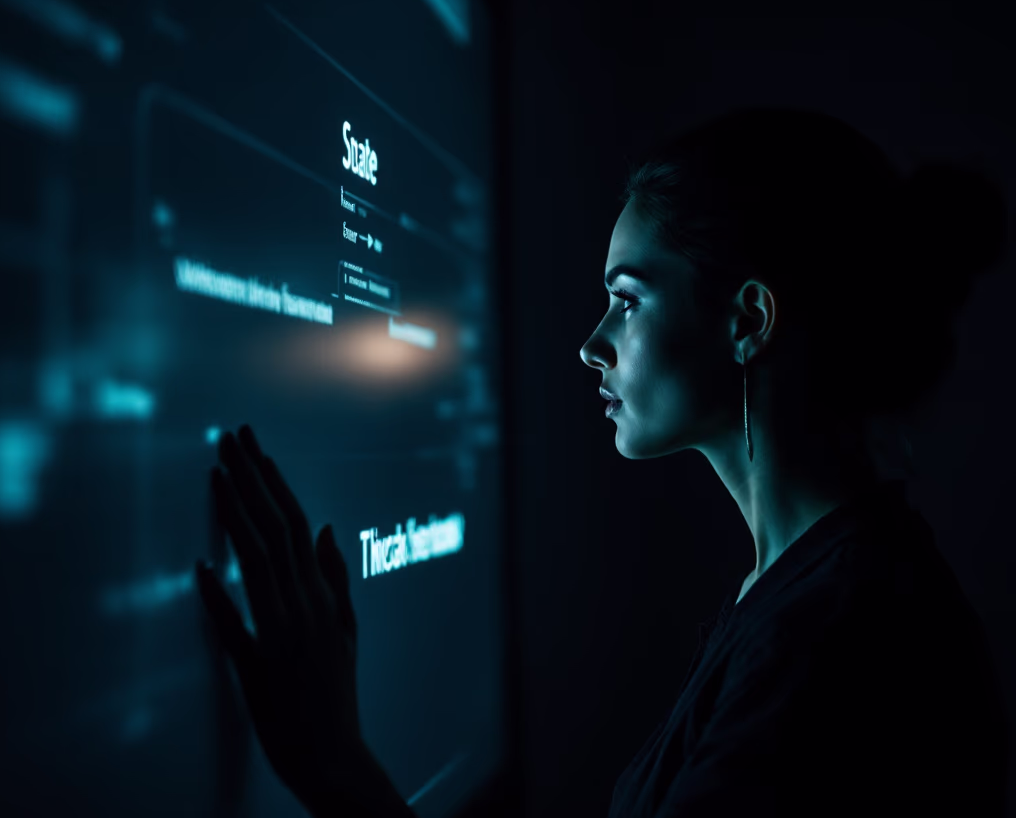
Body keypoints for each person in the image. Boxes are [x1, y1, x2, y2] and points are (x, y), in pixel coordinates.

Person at [194, 106, 1011, 817]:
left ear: (749, 319)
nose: (592, 347)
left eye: (627, 299)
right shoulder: (810, 589)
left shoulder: (842, 637)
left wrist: (336, 767)